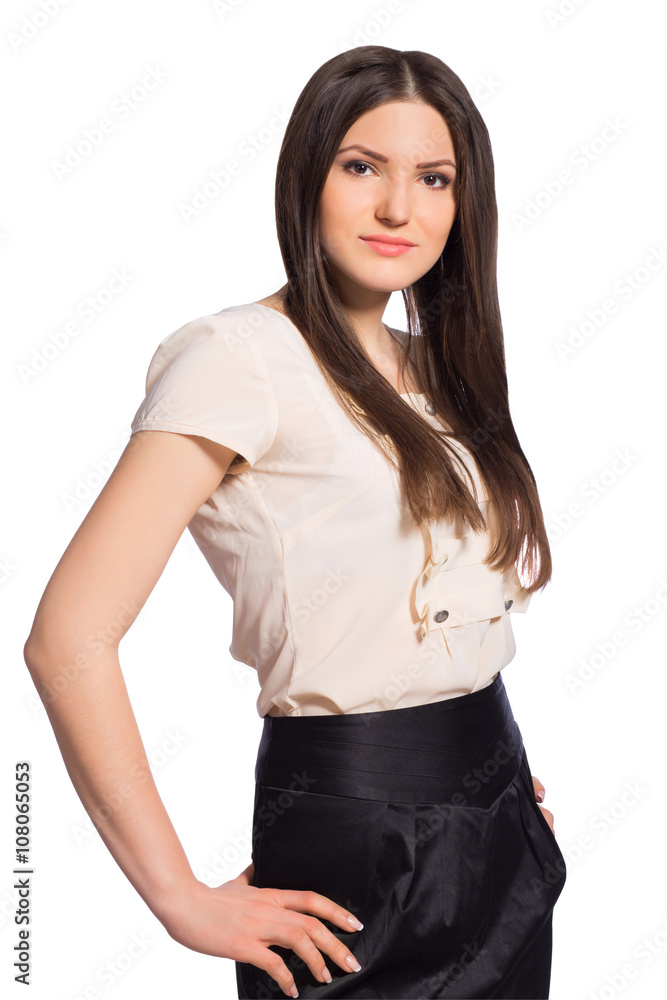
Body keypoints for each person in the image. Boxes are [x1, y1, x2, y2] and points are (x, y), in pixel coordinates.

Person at [23, 45, 567, 1000]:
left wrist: (487, 784)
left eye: (432, 178)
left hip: (497, 818)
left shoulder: (440, 366)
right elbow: (67, 639)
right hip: (354, 837)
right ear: (305, 177)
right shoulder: (238, 358)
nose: (399, 207)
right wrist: (177, 897)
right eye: (362, 167)